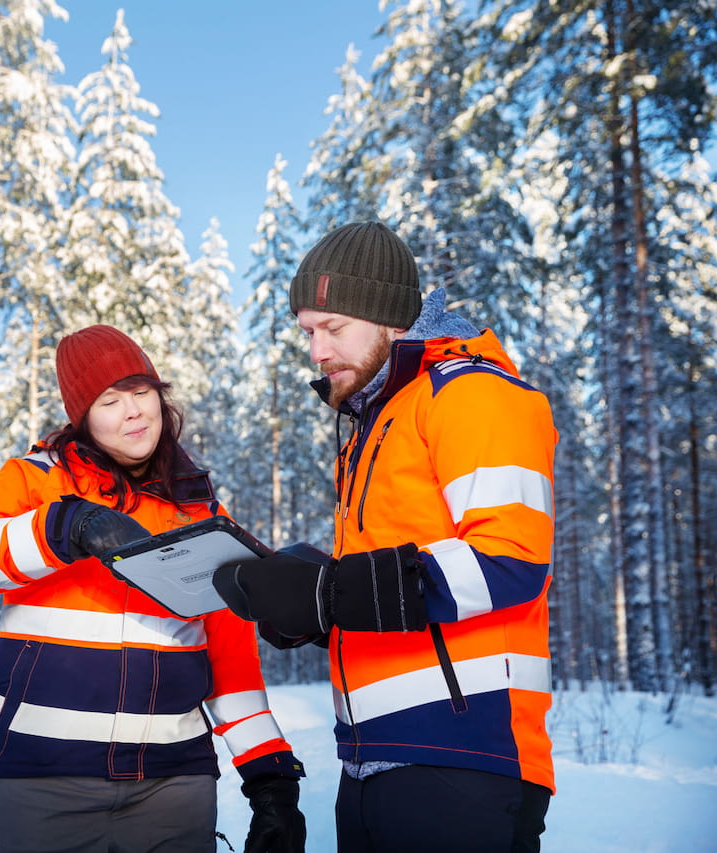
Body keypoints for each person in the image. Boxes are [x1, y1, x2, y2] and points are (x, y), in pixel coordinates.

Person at [213, 222, 557, 852]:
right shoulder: (379, 423)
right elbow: (397, 588)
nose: (316, 351)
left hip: (464, 759)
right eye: (308, 332)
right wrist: (306, 603)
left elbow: (509, 561)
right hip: (370, 759)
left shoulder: (473, 395)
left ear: (390, 320)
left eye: (333, 328)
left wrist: (329, 593)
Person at [0, 324, 308, 853]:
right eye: (110, 400)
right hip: (36, 777)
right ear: (83, 418)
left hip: (172, 785)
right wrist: (63, 526)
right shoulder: (37, 480)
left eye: (142, 393)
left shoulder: (198, 511)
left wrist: (271, 780)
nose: (133, 410)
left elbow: (231, 663)